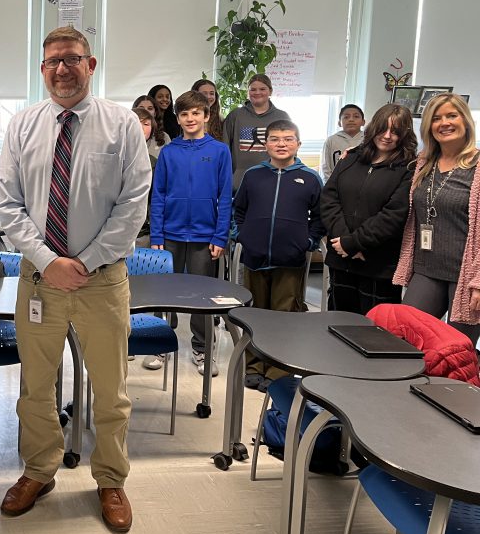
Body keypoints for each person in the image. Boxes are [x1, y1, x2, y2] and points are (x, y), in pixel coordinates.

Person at [0, 27, 149, 534]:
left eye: (72, 59)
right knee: (35, 387)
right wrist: (48, 260)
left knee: (111, 390)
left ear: (92, 63)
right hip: (39, 281)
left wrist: (83, 261)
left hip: (101, 281)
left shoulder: (122, 124)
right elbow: (9, 206)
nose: (62, 69)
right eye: (53, 61)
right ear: (42, 70)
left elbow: (133, 206)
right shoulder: (22, 126)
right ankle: (39, 471)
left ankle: (110, 478)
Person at [233, 119, 324, 391]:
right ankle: (253, 365)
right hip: (255, 258)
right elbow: (238, 211)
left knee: (284, 317)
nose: (281, 144)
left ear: (298, 143)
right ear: (266, 144)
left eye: (288, 139)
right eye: (275, 139)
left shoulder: (309, 178)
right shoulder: (253, 175)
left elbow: (319, 218)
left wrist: (307, 241)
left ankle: (277, 370)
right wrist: (242, 236)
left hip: (290, 261)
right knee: (256, 315)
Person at [149, 90, 232, 376]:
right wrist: (156, 235)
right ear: (178, 118)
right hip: (169, 235)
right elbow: (157, 195)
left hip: (204, 236)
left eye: (196, 113)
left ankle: (202, 349)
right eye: (184, 114)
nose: (190, 118)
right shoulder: (169, 152)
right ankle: (158, 343)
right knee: (163, 293)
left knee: (201, 296)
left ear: (207, 116)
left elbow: (225, 197)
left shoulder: (219, 151)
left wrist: (220, 236)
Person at [394, 93, 480, 344]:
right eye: (436, 118)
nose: (444, 123)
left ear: (465, 121)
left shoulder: (477, 166)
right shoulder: (423, 163)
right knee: (406, 340)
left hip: (465, 275)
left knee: (456, 353)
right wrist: (353, 152)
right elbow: (384, 155)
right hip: (427, 269)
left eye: (452, 116)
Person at [321, 104, 415, 316]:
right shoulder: (351, 158)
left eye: (396, 132)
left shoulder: (409, 168)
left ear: (405, 135)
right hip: (341, 258)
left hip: (377, 265)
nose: (388, 136)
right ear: (373, 128)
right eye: (383, 129)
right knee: (336, 325)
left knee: (375, 333)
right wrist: (345, 241)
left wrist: (355, 243)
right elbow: (329, 198)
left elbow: (394, 215)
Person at [222, 74, 291, 191]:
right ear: (248, 92)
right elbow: (225, 146)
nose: (257, 92)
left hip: (272, 179)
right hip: (239, 182)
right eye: (253, 89)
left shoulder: (282, 117)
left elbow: (289, 148)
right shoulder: (236, 115)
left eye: (262, 89)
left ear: (270, 91)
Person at [321, 103, 365, 182]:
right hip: (336, 185)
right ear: (339, 123)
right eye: (346, 117)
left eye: (356, 116)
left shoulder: (369, 139)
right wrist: (329, 187)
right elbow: (325, 168)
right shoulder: (331, 140)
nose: (351, 119)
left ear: (363, 122)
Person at [133, 107, 157, 249]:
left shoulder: (153, 163)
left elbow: (156, 200)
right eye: (137, 122)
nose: (141, 127)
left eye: (146, 124)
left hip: (144, 233)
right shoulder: (113, 157)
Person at [133, 95, 169, 159]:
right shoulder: (125, 135)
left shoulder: (164, 137)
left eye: (150, 108)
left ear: (155, 113)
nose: (146, 111)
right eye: (141, 108)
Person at [191, 78, 224, 142]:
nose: (208, 97)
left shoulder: (220, 120)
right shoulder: (187, 117)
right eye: (204, 93)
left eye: (211, 93)